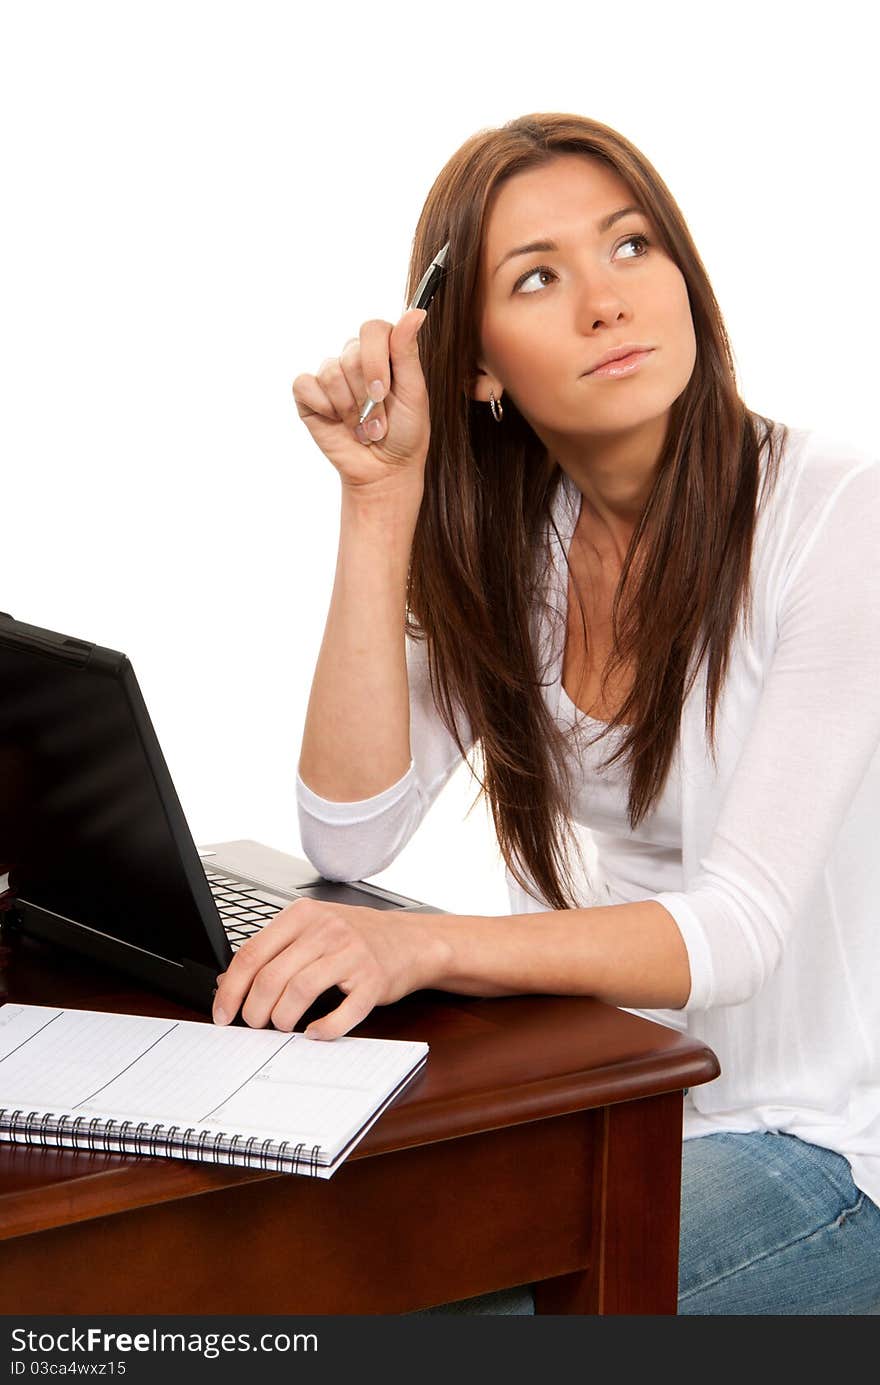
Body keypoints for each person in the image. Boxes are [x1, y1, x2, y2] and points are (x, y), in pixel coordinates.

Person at [212, 113, 880, 1315]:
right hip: (618, 1098)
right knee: (280, 1267)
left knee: (446, 1304)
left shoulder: (836, 513)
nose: (606, 301)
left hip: (830, 1143)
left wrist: (429, 942)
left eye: (630, 248)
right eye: (538, 276)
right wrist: (380, 497)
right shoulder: (529, 549)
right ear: (474, 364)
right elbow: (349, 833)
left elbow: (734, 933)